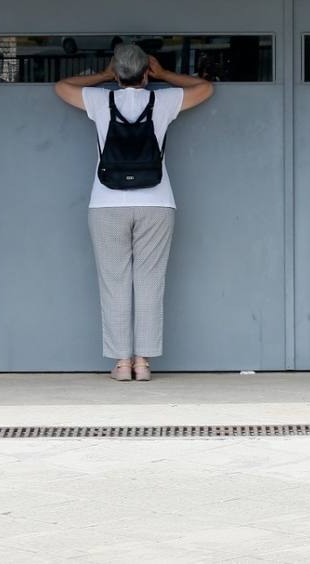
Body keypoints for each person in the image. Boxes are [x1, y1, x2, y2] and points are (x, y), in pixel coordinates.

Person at [54, 44, 213, 381]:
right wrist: (166, 75)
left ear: (117, 73)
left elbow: (61, 87)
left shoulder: (100, 101)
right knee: (150, 282)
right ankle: (143, 363)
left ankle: (121, 364)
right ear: (146, 73)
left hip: (106, 202)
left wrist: (103, 75)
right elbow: (205, 88)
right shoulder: (165, 99)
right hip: (157, 202)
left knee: (114, 283)